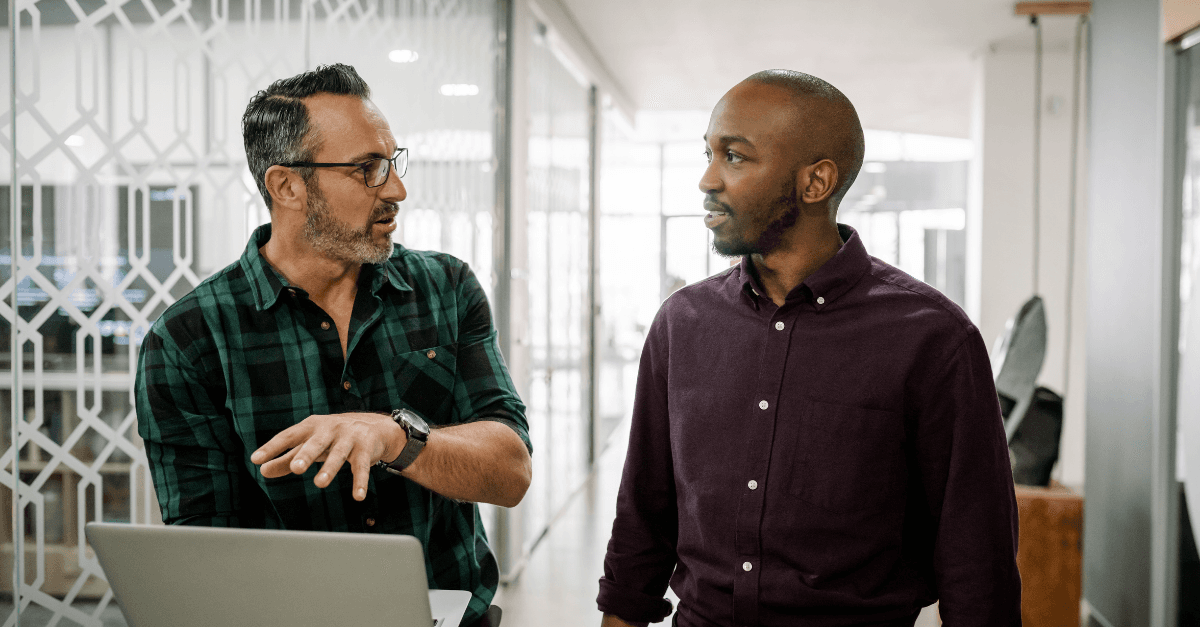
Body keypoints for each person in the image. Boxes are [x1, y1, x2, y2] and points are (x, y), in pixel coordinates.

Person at [597, 70, 1021, 627]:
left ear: (816, 181)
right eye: (709, 153)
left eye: (736, 157)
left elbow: (977, 561)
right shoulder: (682, 324)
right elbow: (642, 518)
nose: (707, 179)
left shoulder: (934, 339)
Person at [136, 64, 531, 627]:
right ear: (287, 186)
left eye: (392, 163)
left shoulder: (445, 289)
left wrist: (398, 437)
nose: (395, 189)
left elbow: (511, 471)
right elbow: (208, 555)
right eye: (367, 169)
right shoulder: (188, 340)